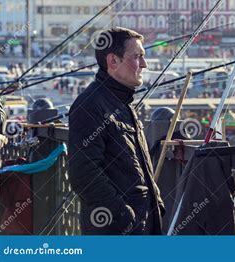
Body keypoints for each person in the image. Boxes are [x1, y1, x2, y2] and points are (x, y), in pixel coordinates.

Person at [68, 27, 164, 235]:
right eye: (137, 57)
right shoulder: (91, 105)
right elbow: (82, 173)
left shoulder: (121, 103)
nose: (144, 64)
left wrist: (155, 204)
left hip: (141, 225)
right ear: (113, 61)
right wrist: (123, 216)